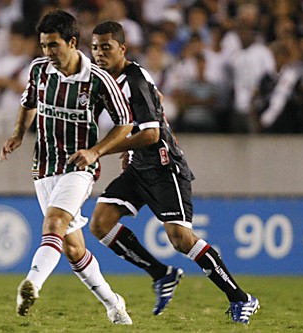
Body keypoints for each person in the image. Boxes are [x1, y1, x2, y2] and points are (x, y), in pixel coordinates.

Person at [88, 21, 260, 324]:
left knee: (180, 239)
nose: (99, 53)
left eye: (106, 47)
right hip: (139, 166)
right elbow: (152, 106)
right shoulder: (109, 81)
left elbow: (152, 134)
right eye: (95, 47)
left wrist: (102, 149)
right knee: (100, 223)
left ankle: (241, 298)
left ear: (122, 48)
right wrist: (128, 151)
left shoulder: (134, 79)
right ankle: (161, 273)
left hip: (164, 167)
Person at [0, 10, 133, 325]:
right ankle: (114, 305)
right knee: (73, 249)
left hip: (79, 167)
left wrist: (96, 151)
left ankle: (31, 283)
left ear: (73, 42)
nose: (48, 53)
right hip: (44, 166)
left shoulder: (98, 79)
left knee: (54, 222)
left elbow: (125, 123)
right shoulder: (38, 70)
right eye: (44, 46)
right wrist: (18, 134)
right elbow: (28, 103)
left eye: (54, 46)